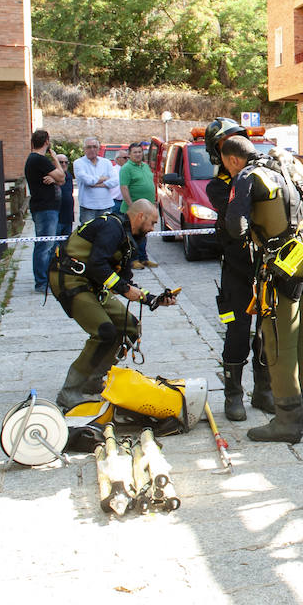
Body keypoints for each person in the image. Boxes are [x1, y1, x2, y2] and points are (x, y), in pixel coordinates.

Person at [220, 134, 303, 443]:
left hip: (282, 267)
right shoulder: (288, 166)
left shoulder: (248, 176)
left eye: (227, 166)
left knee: (279, 346)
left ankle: (287, 422)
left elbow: (235, 226)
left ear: (233, 160)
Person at [48, 199, 176, 410]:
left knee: (130, 327)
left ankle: (94, 380)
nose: (153, 229)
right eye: (152, 223)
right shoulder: (111, 227)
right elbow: (98, 265)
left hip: (92, 284)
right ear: (139, 217)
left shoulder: (128, 240)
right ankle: (69, 391)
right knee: (105, 331)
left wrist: (153, 299)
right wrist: (125, 290)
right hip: (69, 279)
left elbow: (124, 281)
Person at [204, 118, 272, 421]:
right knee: (238, 331)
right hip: (235, 270)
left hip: (265, 269)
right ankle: (233, 395)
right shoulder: (217, 186)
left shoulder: (262, 176)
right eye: (225, 145)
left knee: (266, 332)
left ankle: (263, 391)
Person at [24, 129, 64, 293]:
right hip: (45, 208)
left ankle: (46, 279)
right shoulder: (39, 159)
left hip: (48, 208)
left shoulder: (35, 160)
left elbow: (60, 180)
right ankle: (41, 282)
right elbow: (62, 177)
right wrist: (55, 158)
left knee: (48, 244)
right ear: (47, 141)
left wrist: (54, 178)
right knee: (44, 245)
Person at [118, 141, 158, 269]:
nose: (138, 154)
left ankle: (143, 258)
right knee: (132, 236)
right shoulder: (126, 169)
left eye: (140, 152)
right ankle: (133, 260)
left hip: (147, 210)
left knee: (144, 235)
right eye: (135, 152)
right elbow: (124, 188)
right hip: (134, 211)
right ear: (129, 154)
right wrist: (132, 207)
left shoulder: (145, 166)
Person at [74, 137, 119, 225]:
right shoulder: (78, 163)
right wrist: (105, 178)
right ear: (84, 149)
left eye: (94, 147)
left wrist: (97, 184)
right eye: (89, 147)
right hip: (88, 207)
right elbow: (88, 181)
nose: (92, 149)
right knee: (88, 235)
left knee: (105, 234)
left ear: (99, 149)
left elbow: (115, 181)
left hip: (106, 206)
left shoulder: (106, 162)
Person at [56, 153, 75, 246]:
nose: (64, 164)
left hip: (68, 217)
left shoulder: (69, 176)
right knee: (54, 245)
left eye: (66, 162)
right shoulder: (52, 177)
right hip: (57, 218)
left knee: (66, 245)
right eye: (60, 162)